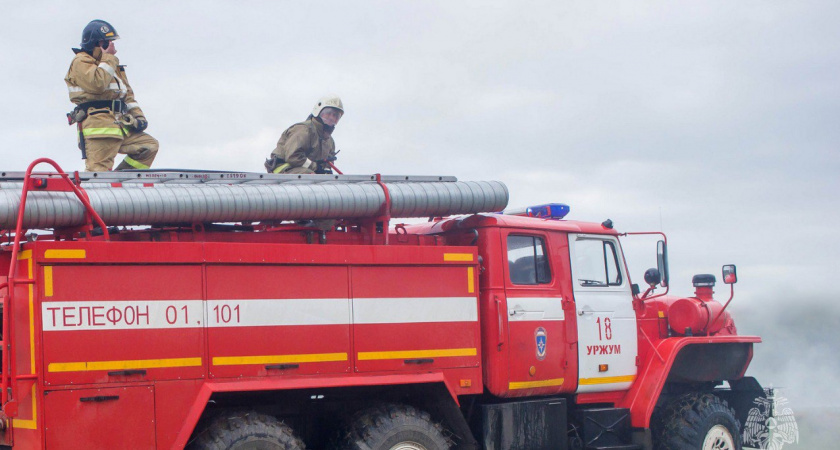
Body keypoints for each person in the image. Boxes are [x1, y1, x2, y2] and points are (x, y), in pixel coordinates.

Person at [65, 20, 159, 172]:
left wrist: (139, 117)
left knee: (149, 146)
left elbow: (127, 95)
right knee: (98, 174)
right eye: (106, 43)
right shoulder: (81, 61)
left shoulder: (109, 64)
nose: (112, 47)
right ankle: (101, 192)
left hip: (120, 124)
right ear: (95, 44)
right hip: (99, 127)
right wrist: (108, 57)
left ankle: (121, 182)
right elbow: (97, 83)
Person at [265, 95, 343, 174]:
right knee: (311, 176)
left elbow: (326, 166)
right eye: (328, 113)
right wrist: (315, 167)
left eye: (336, 116)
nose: (331, 118)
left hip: (306, 171)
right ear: (318, 111)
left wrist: (326, 171)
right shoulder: (304, 130)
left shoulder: (330, 141)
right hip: (284, 168)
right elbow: (293, 156)